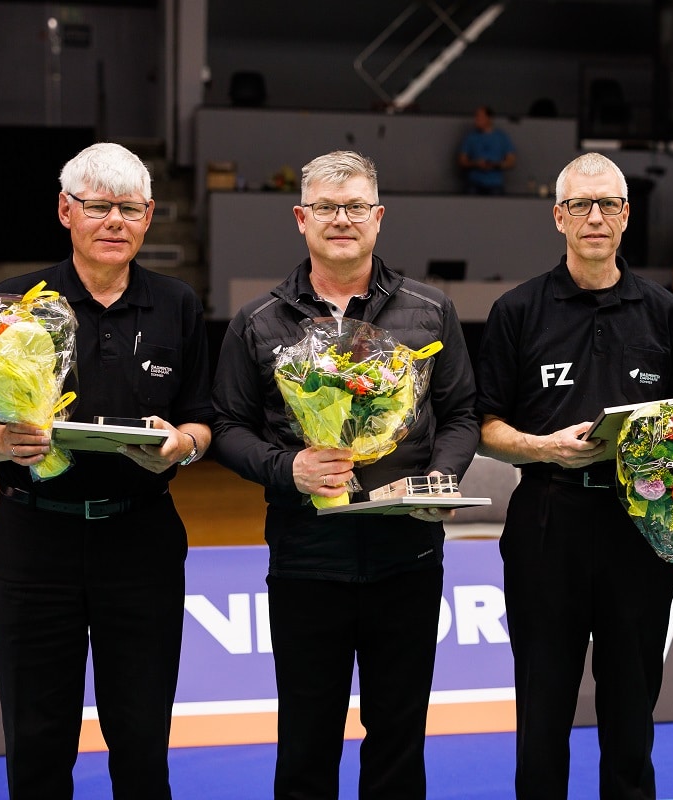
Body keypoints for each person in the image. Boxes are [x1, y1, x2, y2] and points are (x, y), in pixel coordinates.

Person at [212, 150, 479, 799]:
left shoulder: (430, 310)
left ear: (378, 216)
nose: (342, 219)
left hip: (408, 557)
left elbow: (462, 413)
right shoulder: (259, 321)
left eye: (355, 206)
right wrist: (288, 467)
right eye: (327, 207)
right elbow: (225, 427)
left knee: (398, 738)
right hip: (308, 562)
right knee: (306, 741)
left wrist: (440, 476)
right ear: (301, 217)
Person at [0, 142, 215, 799]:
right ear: (66, 211)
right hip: (33, 545)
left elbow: (203, 418)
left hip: (142, 544)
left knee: (141, 739)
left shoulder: (177, 304)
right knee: (37, 740)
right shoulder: (16, 301)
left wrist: (183, 442)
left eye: (129, 208)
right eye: (98, 207)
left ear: (150, 215)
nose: (114, 221)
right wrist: (1, 440)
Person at [474, 152, 673, 798]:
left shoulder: (664, 313)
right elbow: (486, 426)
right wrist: (542, 447)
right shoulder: (518, 311)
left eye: (607, 205)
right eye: (580, 206)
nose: (594, 217)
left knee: (631, 724)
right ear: (558, 217)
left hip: (640, 533)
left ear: (626, 217)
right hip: (548, 525)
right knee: (541, 721)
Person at [457, 105, 517, 195]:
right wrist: (475, 164)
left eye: (479, 116)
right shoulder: (470, 138)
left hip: (494, 184)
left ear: (489, 118)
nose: (476, 119)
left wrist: (495, 165)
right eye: (476, 116)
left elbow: (511, 162)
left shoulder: (501, 137)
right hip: (474, 183)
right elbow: (462, 161)